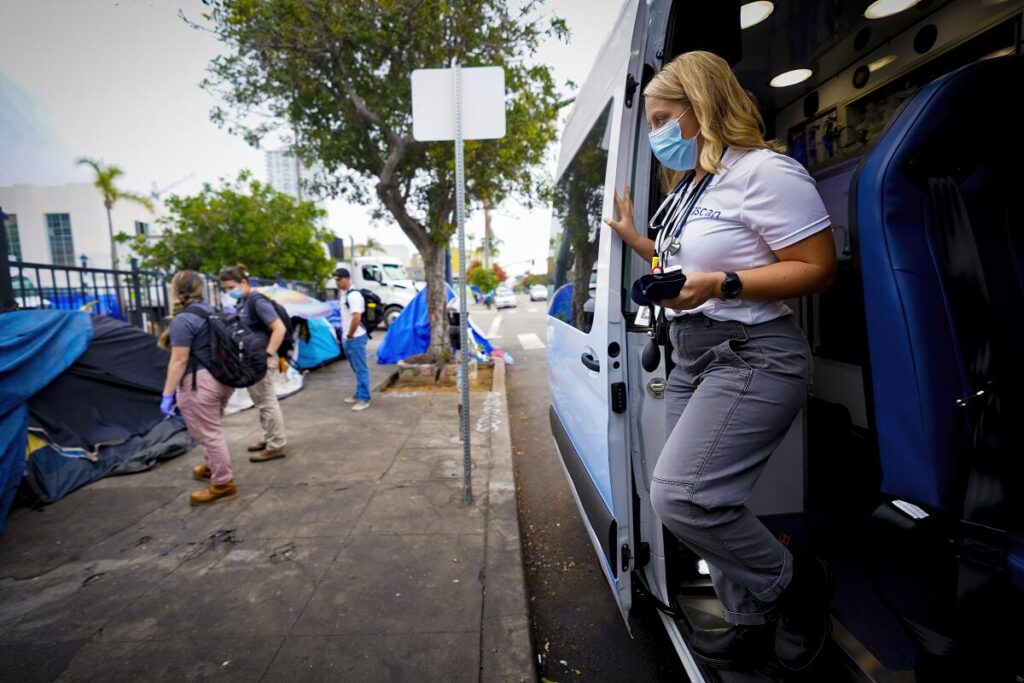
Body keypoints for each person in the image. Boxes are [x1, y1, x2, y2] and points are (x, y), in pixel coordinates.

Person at [604, 51, 837, 672]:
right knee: (705, 502)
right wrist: (642, 246)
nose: (654, 133)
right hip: (691, 356)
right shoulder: (694, 186)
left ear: (700, 108)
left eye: (660, 118)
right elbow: (689, 264)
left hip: (752, 354)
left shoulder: (766, 172)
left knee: (682, 497)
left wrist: (722, 285)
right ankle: (749, 622)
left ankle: (795, 583)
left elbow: (817, 268)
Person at [158, 271, 238, 506]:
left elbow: (179, 360)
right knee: (210, 428)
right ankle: (212, 466)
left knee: (209, 433)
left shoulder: (183, 320)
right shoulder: (212, 311)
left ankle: (223, 483)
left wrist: (167, 393)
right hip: (223, 379)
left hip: (199, 383)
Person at [218, 265, 288, 462]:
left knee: (266, 400)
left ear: (244, 283)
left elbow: (279, 329)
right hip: (253, 359)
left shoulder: (257, 302)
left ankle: (276, 445)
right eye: (225, 289)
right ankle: (269, 438)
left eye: (231, 287)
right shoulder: (245, 301)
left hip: (261, 358)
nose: (228, 292)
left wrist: (267, 355)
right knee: (260, 400)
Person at [334, 268, 371, 411]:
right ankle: (359, 393)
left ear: (346, 279)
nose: (337, 282)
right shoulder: (344, 294)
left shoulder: (354, 296)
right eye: (336, 280)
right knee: (356, 367)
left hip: (355, 337)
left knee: (361, 368)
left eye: (339, 279)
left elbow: (356, 317)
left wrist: (349, 334)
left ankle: (364, 398)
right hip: (348, 337)